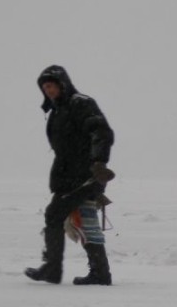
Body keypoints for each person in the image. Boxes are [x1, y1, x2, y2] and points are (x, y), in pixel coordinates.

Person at [25, 65, 115, 285]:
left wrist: (99, 162)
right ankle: (64, 270)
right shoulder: (57, 111)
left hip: (86, 174)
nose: (48, 90)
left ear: (62, 84)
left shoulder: (80, 103)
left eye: (51, 85)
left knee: (60, 214)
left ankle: (80, 271)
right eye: (44, 87)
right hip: (67, 177)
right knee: (70, 217)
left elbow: (101, 132)